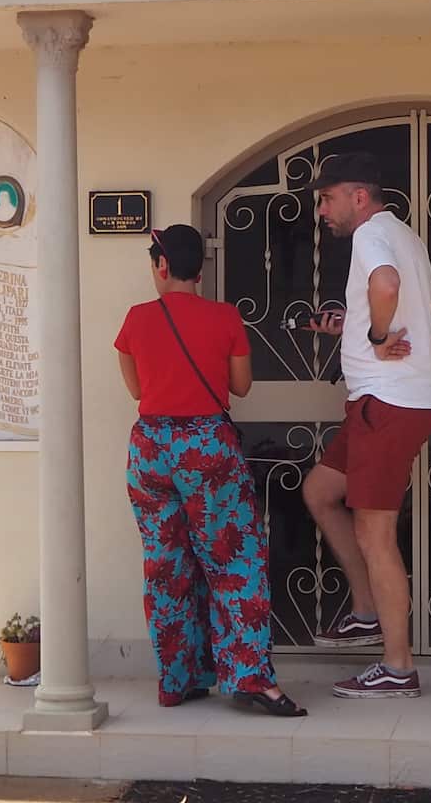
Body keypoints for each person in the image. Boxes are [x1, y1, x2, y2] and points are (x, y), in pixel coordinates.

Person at [114, 223, 306, 717]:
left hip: (151, 448)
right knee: (234, 560)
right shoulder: (225, 317)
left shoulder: (136, 319)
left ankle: (178, 679)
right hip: (207, 447)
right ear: (199, 271)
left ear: (161, 265)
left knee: (165, 565)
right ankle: (249, 677)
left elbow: (137, 391)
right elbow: (240, 386)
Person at [302, 151, 431, 699]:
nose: (322, 210)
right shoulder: (407, 236)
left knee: (374, 535)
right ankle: (364, 611)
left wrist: (379, 338)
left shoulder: (370, 236)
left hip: (387, 404)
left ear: (358, 196)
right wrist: (358, 326)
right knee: (320, 491)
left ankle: (398, 667)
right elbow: (430, 315)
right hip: (382, 403)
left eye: (327, 198)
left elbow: (385, 286)